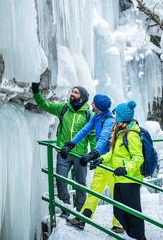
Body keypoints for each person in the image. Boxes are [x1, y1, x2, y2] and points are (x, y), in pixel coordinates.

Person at [32, 82, 96, 218]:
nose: (72, 94)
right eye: (72, 91)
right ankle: (66, 209)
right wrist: (36, 92)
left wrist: (92, 154)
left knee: (80, 184)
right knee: (61, 181)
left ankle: (80, 212)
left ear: (82, 97)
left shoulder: (88, 115)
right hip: (64, 152)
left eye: (76, 92)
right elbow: (45, 105)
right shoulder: (63, 108)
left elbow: (92, 136)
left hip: (80, 154)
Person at [62, 94, 124, 233]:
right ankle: (82, 219)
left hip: (112, 162)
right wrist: (70, 144)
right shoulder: (96, 117)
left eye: (94, 103)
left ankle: (119, 225)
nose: (91, 104)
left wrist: (92, 153)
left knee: (116, 194)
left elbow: (103, 139)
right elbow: (84, 131)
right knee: (94, 191)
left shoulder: (108, 120)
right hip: (101, 161)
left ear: (99, 107)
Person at [90, 100, 146, 240]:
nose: (114, 117)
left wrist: (126, 169)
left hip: (130, 179)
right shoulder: (120, 133)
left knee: (134, 213)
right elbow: (112, 153)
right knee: (119, 212)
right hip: (119, 178)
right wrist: (101, 159)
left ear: (122, 117)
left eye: (116, 115)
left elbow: (138, 158)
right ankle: (132, 235)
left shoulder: (132, 135)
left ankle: (139, 237)